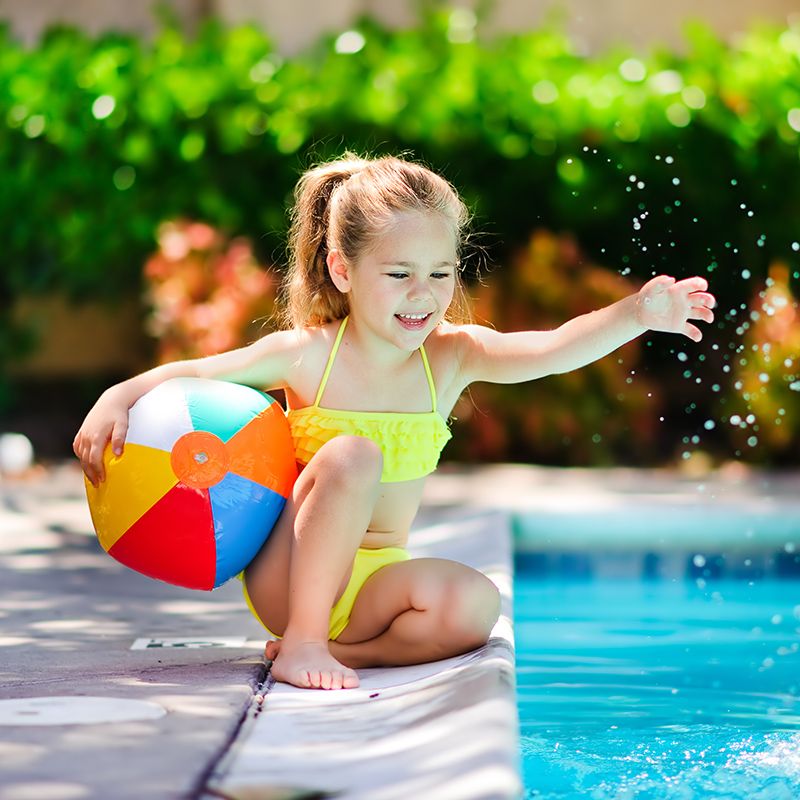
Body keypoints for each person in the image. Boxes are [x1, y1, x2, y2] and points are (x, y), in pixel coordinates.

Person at [74, 153, 716, 691]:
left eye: (440, 273)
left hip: (378, 585)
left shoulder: (453, 357)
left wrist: (635, 315)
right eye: (400, 274)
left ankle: (350, 656)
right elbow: (197, 373)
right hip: (291, 577)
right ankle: (300, 643)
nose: (424, 293)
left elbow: (551, 349)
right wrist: (116, 397)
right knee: (353, 457)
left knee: (477, 604)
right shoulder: (310, 354)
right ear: (342, 269)